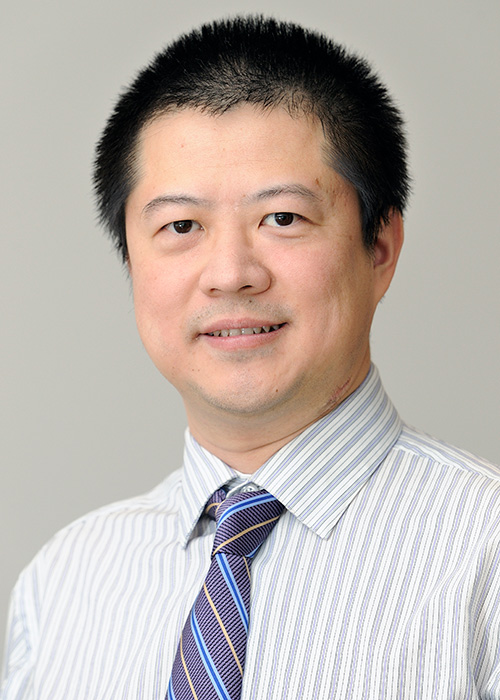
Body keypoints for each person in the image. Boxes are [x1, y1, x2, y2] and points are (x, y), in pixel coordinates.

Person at [2, 15, 500, 700]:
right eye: (180, 227)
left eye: (283, 218)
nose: (230, 273)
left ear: (379, 249)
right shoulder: (66, 583)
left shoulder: (485, 553)